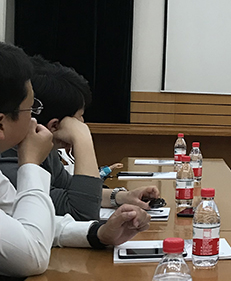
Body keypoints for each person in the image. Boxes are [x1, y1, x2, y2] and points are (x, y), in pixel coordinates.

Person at [0, 42, 150, 277]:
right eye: (30, 109)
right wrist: (30, 165)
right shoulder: (12, 160)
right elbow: (31, 255)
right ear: (2, 123)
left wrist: (98, 234)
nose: (34, 119)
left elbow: (29, 223)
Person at [0, 56, 160, 221]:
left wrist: (121, 197)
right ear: (54, 126)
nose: (82, 123)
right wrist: (82, 138)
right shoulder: (9, 159)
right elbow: (81, 212)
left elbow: (70, 189)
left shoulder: (41, 145)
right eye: (80, 117)